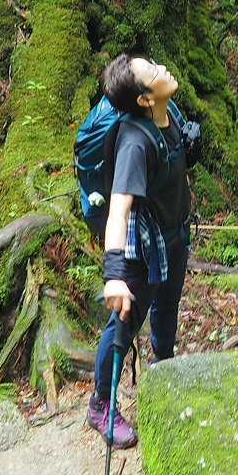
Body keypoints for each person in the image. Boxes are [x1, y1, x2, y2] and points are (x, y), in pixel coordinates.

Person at [89, 53, 191, 447]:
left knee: (167, 307)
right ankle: (100, 404)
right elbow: (118, 212)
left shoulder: (170, 112)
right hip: (141, 249)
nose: (164, 68)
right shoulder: (134, 143)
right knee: (124, 326)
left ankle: (162, 369)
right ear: (145, 99)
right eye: (154, 72)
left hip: (174, 236)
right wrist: (114, 274)